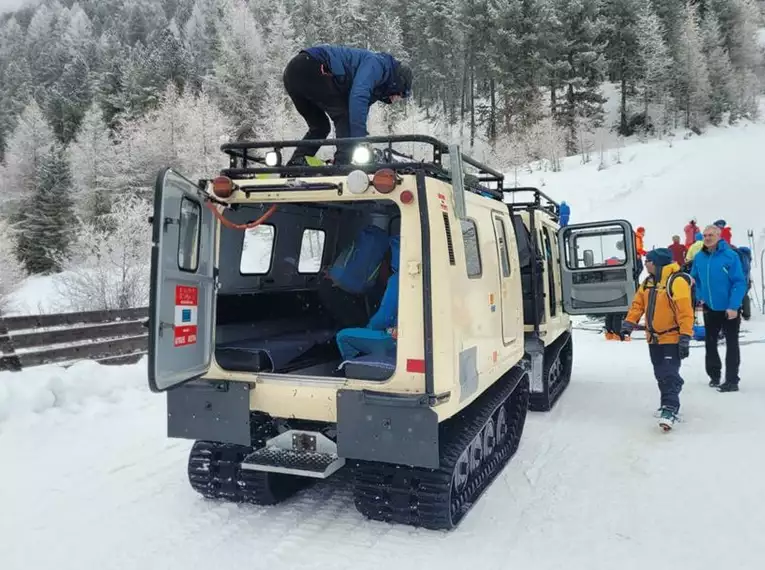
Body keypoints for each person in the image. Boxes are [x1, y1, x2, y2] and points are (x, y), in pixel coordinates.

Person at [282, 44, 412, 166]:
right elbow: (358, 97)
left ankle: (296, 163)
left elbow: (359, 110)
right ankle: (341, 166)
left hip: (292, 74)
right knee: (344, 115)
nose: (396, 99)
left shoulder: (377, 86)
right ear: (397, 82)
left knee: (320, 127)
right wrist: (361, 141)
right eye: (400, 94)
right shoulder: (377, 64)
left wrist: (360, 140)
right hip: (311, 65)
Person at [620, 248, 694, 430]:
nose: (645, 264)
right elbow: (638, 305)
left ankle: (670, 408)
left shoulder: (676, 281)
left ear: (658, 262)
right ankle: (667, 399)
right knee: (660, 373)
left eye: (648, 261)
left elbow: (685, 312)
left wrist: (685, 336)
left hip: (672, 337)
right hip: (653, 338)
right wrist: (629, 323)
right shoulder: (648, 282)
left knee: (669, 373)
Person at [689, 225, 747, 391]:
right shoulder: (700, 257)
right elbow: (695, 277)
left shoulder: (730, 256)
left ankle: (732, 380)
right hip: (710, 307)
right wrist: (700, 295)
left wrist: (734, 306)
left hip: (729, 309)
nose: (707, 238)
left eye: (711, 235)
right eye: (705, 235)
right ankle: (714, 375)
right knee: (710, 342)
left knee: (731, 343)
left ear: (719, 236)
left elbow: (739, 282)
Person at [335, 235, 400, 362]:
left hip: (395, 339)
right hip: (409, 337)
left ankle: (353, 368)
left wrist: (369, 328)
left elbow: (384, 317)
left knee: (342, 336)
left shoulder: (397, 280)